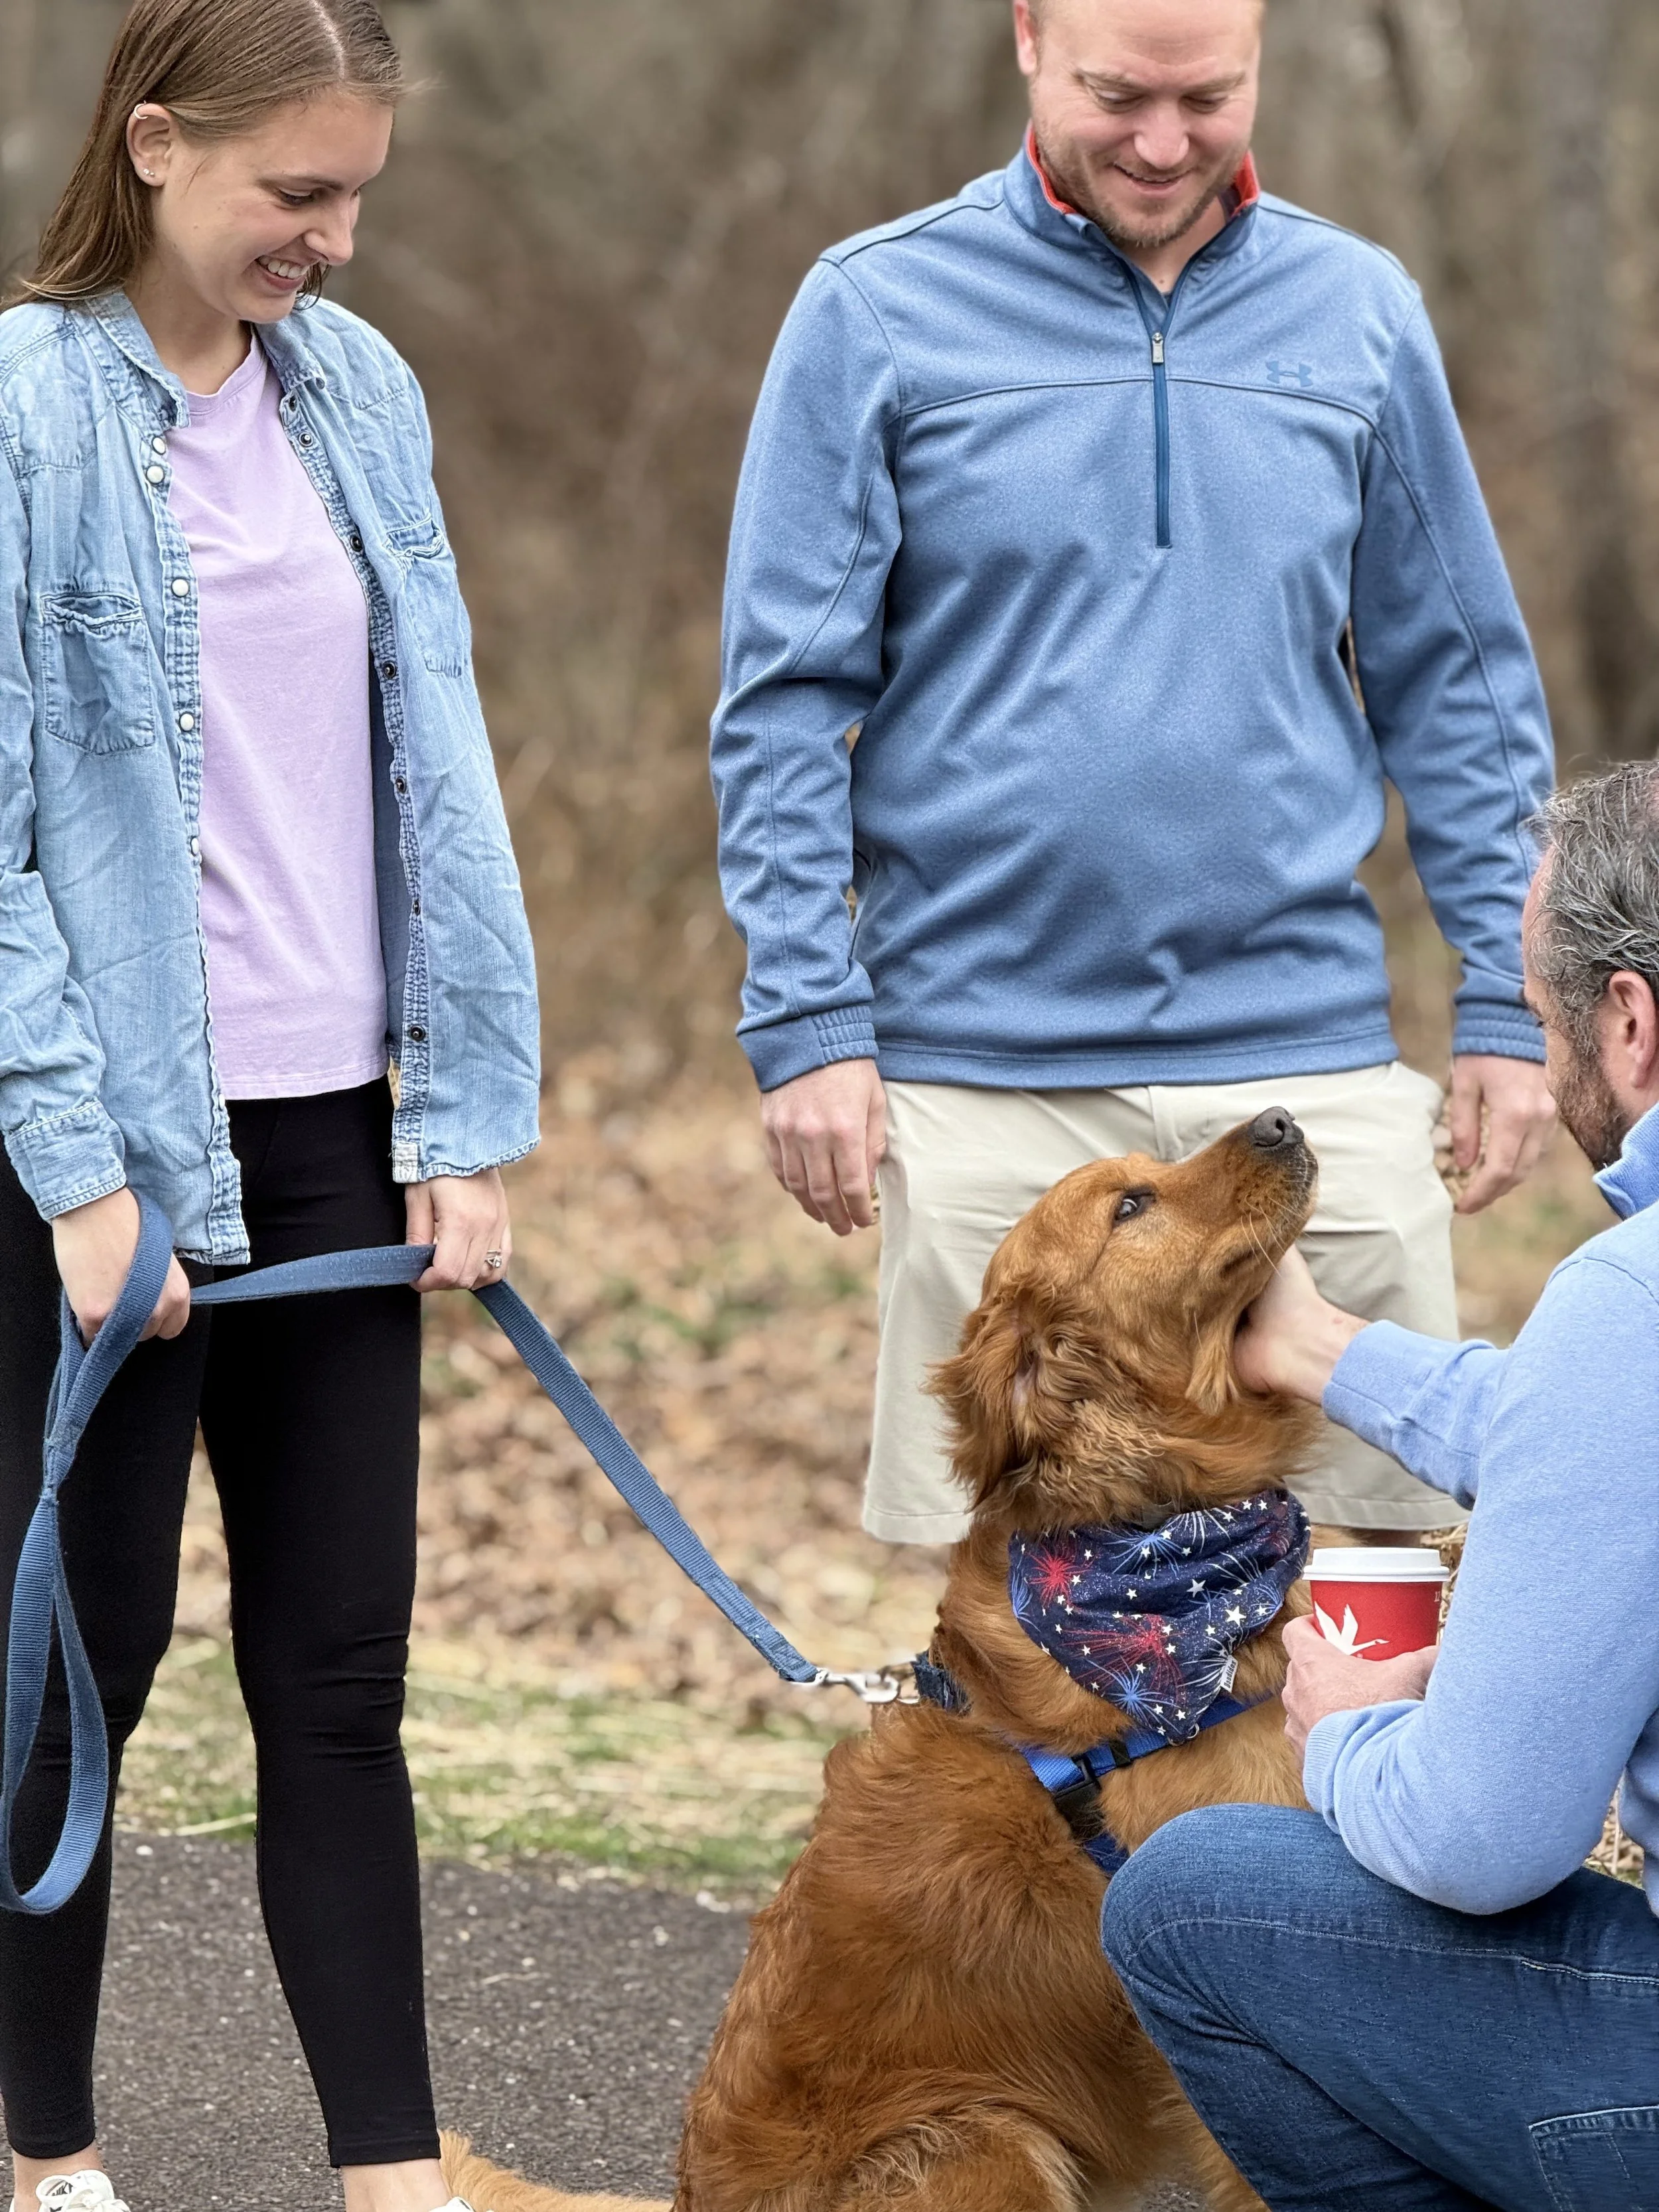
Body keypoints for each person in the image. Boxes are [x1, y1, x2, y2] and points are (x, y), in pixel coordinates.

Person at [709, 0, 1557, 1550]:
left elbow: (1460, 679)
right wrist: (807, 1017)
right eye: (1118, 95)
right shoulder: (877, 307)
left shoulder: (1357, 309)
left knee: (1375, 1560)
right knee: (1021, 1594)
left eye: (1205, 96)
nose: (1162, 143)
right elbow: (783, 701)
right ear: (1027, 40)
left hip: (1307, 1068)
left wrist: (1507, 1004)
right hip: (982, 1076)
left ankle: (1335, 1815)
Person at [0, 5, 540, 2209]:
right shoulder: (27, 411)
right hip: (107, 1158)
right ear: (152, 144)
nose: (330, 236)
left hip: (334, 1133)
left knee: (341, 1667)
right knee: (80, 1673)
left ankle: (392, 2173)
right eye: (291, 193)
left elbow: (442, 762)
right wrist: (74, 1176)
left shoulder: (361, 394)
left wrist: (467, 1114)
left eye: (357, 196)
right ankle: (49, 2151)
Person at [1100, 764, 1659, 2212]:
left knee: (1186, 1896)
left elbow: (1479, 1840)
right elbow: (1589, 1442)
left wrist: (1349, 1738)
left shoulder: (1629, 1299)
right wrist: (1322, 1348)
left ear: (1628, 1020)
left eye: (1542, 1029)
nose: (1545, 1075)